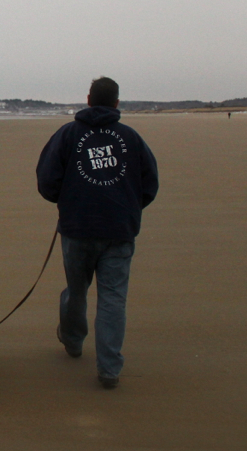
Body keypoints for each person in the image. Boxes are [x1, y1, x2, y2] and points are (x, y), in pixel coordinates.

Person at [35, 77, 159, 389]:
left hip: (85, 229)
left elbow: (148, 185)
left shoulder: (73, 135)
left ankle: (87, 352)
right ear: (116, 103)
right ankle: (103, 364)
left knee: (82, 292)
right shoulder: (125, 137)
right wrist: (128, 207)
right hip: (109, 228)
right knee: (111, 298)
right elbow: (149, 184)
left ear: (89, 99)